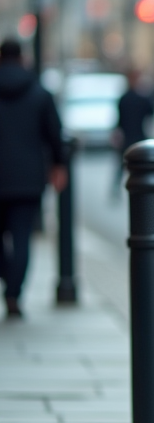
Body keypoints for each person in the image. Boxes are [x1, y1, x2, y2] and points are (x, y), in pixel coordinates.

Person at [0, 39, 67, 319]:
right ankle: (14, 293)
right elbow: (54, 135)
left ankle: (9, 280)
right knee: (23, 236)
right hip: (28, 178)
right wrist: (59, 166)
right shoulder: (39, 92)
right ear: (23, 58)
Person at [112, 69, 154, 196]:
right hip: (138, 136)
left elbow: (119, 121)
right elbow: (151, 114)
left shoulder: (123, 98)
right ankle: (140, 186)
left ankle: (116, 189)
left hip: (127, 137)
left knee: (122, 165)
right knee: (137, 165)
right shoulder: (141, 98)